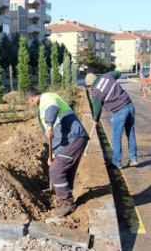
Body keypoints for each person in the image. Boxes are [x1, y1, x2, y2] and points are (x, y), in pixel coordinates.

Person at [24, 87, 90, 217]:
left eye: (28, 101)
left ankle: (67, 202)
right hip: (70, 140)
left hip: (73, 137)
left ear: (31, 99)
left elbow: (52, 109)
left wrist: (48, 124)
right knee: (66, 170)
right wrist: (53, 153)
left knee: (56, 171)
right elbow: (53, 134)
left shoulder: (47, 98)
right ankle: (66, 197)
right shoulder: (41, 108)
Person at [85, 72, 138, 170]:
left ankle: (117, 163)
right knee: (130, 133)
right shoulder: (107, 76)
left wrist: (95, 119)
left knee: (116, 137)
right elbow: (118, 73)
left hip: (119, 111)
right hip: (129, 104)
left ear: (91, 84)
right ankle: (133, 159)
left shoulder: (96, 91)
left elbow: (97, 108)